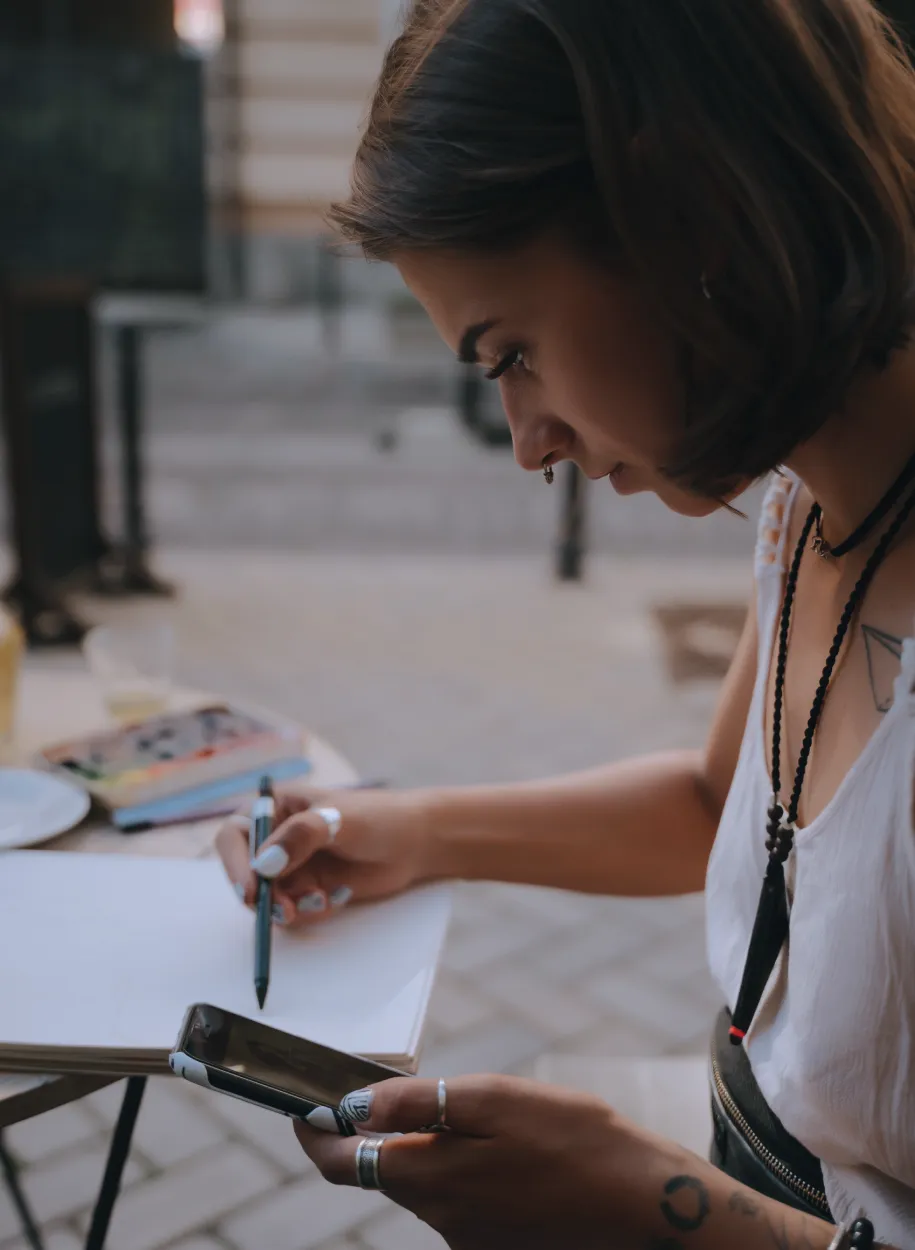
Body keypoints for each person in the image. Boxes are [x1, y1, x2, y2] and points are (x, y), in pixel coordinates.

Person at [216, 1, 915, 1246]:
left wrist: (659, 1210)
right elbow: (723, 804)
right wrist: (411, 830)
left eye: (513, 352)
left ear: (686, 215)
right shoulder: (811, 505)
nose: (527, 442)